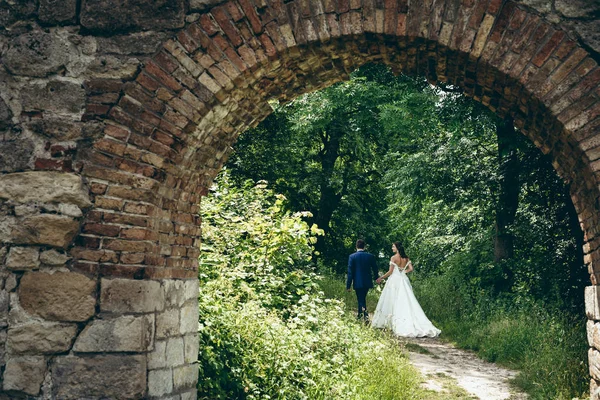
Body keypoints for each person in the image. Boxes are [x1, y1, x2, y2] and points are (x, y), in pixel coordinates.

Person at [371, 242, 440, 337]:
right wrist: (403, 272)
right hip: (403, 280)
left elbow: (390, 272)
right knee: (405, 300)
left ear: (397, 248)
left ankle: (391, 322)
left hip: (394, 280)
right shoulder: (406, 258)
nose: (392, 248)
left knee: (392, 299)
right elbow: (411, 269)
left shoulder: (393, 258)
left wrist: (381, 278)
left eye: (393, 246)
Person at [347, 239, 379, 322]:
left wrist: (348, 285)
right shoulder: (370, 256)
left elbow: (350, 272)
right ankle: (360, 315)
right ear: (364, 246)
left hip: (357, 281)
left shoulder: (352, 256)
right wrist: (376, 278)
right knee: (362, 298)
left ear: (356, 246)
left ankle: (365, 316)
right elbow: (375, 268)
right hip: (367, 281)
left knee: (360, 298)